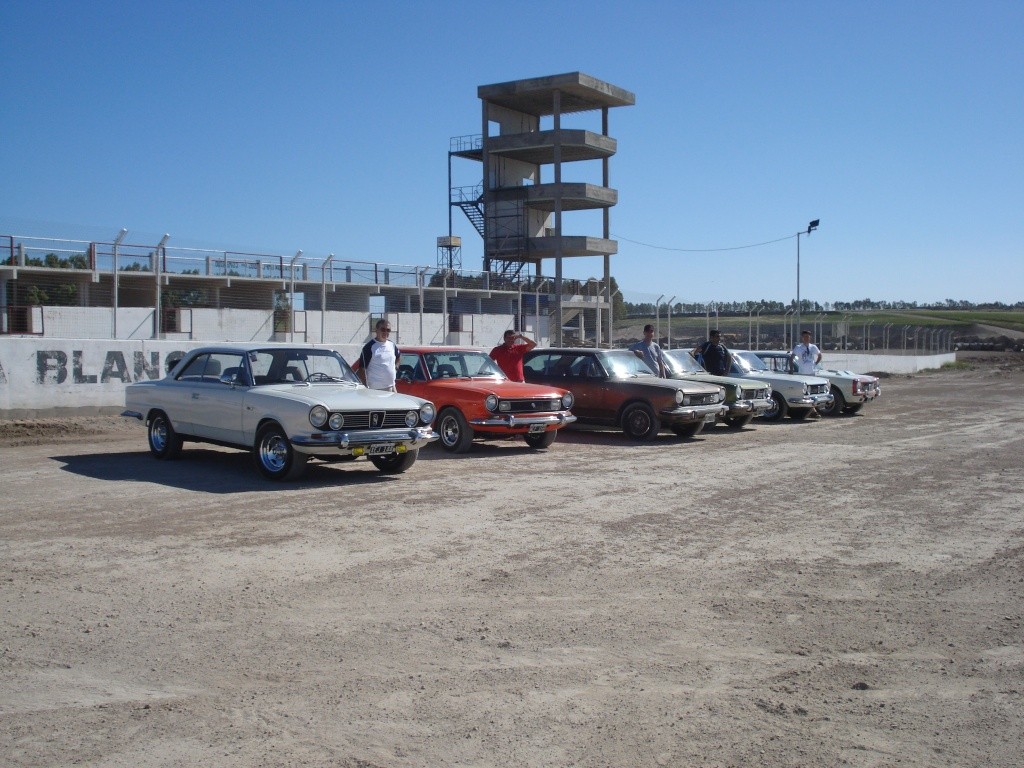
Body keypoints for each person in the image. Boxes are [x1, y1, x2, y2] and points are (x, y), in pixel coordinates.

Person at [359, 319, 400, 391]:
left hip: (392, 386)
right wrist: (365, 387)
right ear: (376, 330)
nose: (385, 332)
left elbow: (398, 357)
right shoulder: (369, 347)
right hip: (376, 389)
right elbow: (362, 369)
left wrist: (395, 367)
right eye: (383, 329)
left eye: (388, 330)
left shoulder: (392, 345)